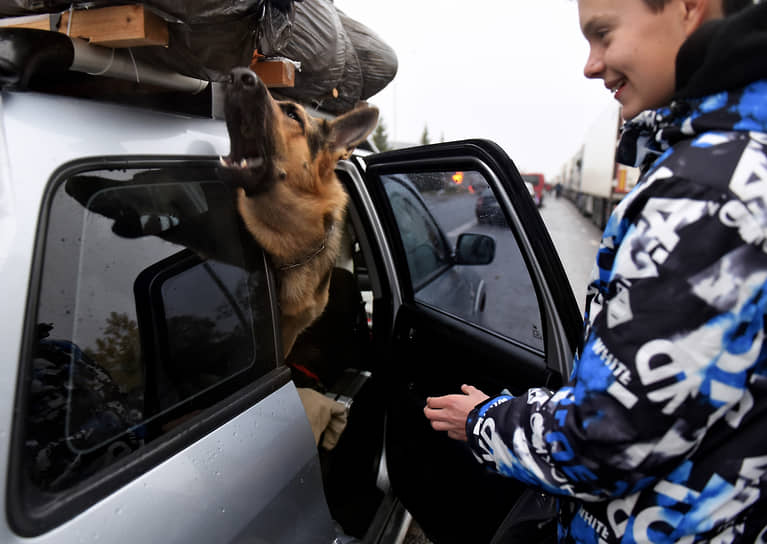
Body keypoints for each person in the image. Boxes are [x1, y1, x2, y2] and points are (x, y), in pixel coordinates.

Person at [424, 0, 767, 541]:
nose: (591, 63)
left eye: (603, 34)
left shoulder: (703, 193)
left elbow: (610, 440)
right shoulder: (735, 162)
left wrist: (483, 422)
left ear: (688, 8)